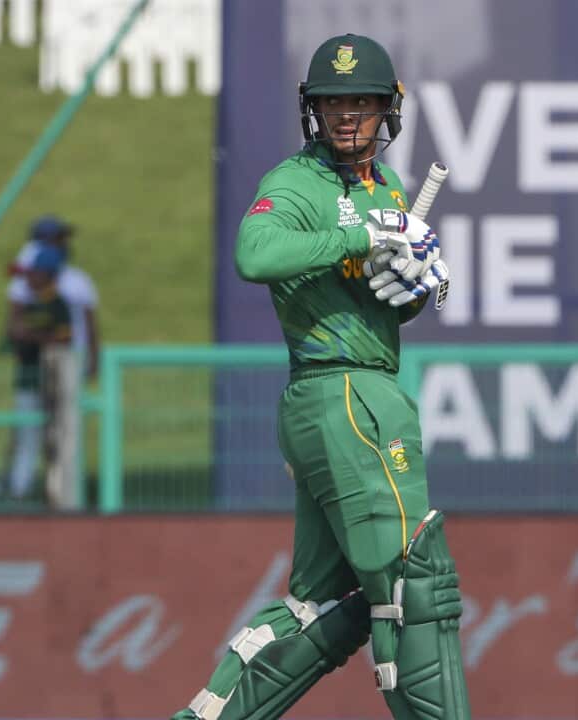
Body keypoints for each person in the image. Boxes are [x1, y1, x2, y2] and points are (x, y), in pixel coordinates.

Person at [170, 34, 466, 720]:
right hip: (342, 391)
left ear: (386, 109)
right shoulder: (294, 182)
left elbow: (390, 294)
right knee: (413, 584)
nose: (346, 116)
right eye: (333, 103)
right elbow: (255, 250)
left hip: (351, 392)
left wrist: (415, 283)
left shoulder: (389, 187)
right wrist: (359, 239)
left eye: (360, 101)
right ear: (313, 111)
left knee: (322, 607)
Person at [3, 245, 73, 500]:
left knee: (55, 439)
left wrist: (30, 336)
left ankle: (57, 492)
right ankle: (20, 490)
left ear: (48, 274)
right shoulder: (30, 305)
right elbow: (11, 339)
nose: (28, 279)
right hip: (28, 381)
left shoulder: (57, 305)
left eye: (34, 274)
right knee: (27, 437)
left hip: (52, 383)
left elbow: (64, 341)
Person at [7, 215, 100, 380]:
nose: (65, 244)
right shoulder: (26, 281)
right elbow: (15, 325)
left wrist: (93, 361)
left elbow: (90, 326)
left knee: (65, 403)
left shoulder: (78, 279)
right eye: (59, 239)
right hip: (33, 362)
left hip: (72, 356)